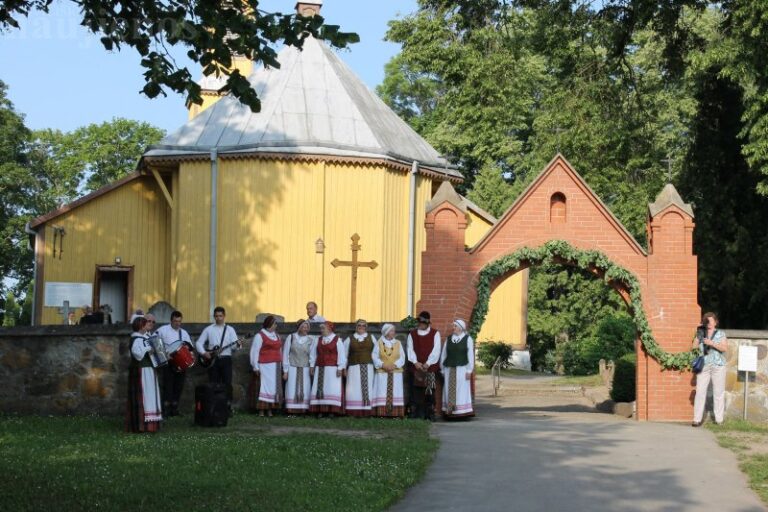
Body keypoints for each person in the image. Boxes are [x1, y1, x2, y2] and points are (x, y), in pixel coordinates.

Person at [196, 306, 241, 414]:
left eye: (220, 316)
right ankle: (213, 406)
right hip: (213, 361)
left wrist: (238, 345)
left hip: (226, 360)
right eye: (216, 316)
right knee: (213, 383)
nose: (218, 318)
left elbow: (234, 347)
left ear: (224, 316)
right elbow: (198, 343)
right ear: (214, 317)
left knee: (227, 384)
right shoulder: (209, 329)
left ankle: (228, 406)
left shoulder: (230, 330)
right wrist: (204, 353)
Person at [125, 316, 162, 432]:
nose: (148, 326)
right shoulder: (136, 339)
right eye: (146, 324)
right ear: (141, 326)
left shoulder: (145, 337)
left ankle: (151, 425)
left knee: (150, 396)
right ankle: (141, 425)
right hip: (141, 371)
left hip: (149, 370)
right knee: (144, 397)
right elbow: (137, 355)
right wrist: (147, 348)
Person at [692, 312, 728, 427]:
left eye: (711, 320)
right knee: (700, 392)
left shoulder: (721, 333)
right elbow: (693, 347)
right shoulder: (701, 333)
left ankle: (719, 420)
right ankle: (697, 419)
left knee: (718, 392)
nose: (709, 323)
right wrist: (698, 335)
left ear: (715, 322)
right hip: (704, 365)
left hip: (718, 366)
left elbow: (724, 348)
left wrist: (711, 343)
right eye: (707, 321)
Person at [155, 310, 194, 416]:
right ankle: (166, 409)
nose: (177, 323)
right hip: (168, 362)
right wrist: (162, 354)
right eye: (175, 321)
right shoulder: (162, 330)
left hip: (181, 363)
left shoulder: (183, 333)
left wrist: (189, 351)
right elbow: (154, 342)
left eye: (179, 321)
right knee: (168, 386)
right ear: (171, 320)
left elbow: (190, 346)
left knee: (178, 386)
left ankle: (175, 409)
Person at [407, 311, 442, 420]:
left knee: (430, 391)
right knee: (415, 391)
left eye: (422, 322)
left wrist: (428, 363)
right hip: (415, 368)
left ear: (427, 323)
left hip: (430, 368)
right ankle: (415, 413)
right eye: (419, 322)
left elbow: (436, 350)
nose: (420, 324)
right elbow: (410, 349)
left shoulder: (435, 333)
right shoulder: (412, 334)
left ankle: (430, 414)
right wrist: (415, 362)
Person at [249, 315, 284, 417]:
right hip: (264, 366)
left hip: (276, 365)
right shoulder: (259, 336)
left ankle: (270, 409)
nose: (275, 326)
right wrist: (255, 366)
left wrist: (280, 363)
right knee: (263, 387)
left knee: (273, 388)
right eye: (274, 324)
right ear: (269, 324)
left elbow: (279, 350)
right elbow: (254, 351)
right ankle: (261, 410)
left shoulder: (276, 336)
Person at [310, 321, 345, 417]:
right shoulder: (317, 340)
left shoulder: (337, 340)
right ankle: (320, 410)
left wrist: (340, 367)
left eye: (323, 328)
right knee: (320, 388)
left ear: (329, 329)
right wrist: (312, 365)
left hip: (332, 368)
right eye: (321, 328)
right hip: (320, 367)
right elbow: (313, 354)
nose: (321, 330)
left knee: (332, 389)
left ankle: (331, 411)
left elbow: (341, 354)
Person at [441, 319, 475, 419]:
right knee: (449, 389)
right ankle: (450, 411)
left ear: (460, 328)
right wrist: (442, 369)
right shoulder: (449, 339)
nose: (453, 328)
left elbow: (470, 356)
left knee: (461, 390)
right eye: (453, 326)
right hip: (449, 369)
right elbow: (444, 354)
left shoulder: (467, 339)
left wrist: (469, 370)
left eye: (455, 326)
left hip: (462, 369)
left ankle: (461, 412)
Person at [372, 323, 406, 417]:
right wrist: (383, 365)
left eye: (393, 331)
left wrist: (394, 365)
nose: (394, 332)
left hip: (395, 372)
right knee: (382, 391)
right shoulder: (379, 342)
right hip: (382, 372)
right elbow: (375, 356)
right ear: (386, 332)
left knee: (395, 391)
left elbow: (402, 357)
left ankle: (395, 413)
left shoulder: (398, 343)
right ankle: (381, 413)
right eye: (392, 331)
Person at [344, 319, 376, 417]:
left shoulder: (372, 337)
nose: (361, 327)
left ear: (366, 327)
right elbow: (344, 355)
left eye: (363, 326)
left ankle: (367, 411)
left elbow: (376, 353)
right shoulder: (350, 338)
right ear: (356, 327)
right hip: (354, 368)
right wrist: (344, 368)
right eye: (359, 325)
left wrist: (377, 366)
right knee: (353, 389)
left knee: (368, 388)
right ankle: (353, 411)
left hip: (368, 367)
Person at [283, 319, 314, 415]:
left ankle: (303, 409)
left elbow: (312, 355)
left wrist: (311, 367)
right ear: (299, 327)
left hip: (305, 368)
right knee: (291, 388)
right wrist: (285, 370)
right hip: (292, 367)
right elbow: (285, 354)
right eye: (303, 327)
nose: (305, 329)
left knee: (305, 388)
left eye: (307, 327)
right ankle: (291, 410)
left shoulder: (311, 339)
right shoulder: (291, 337)